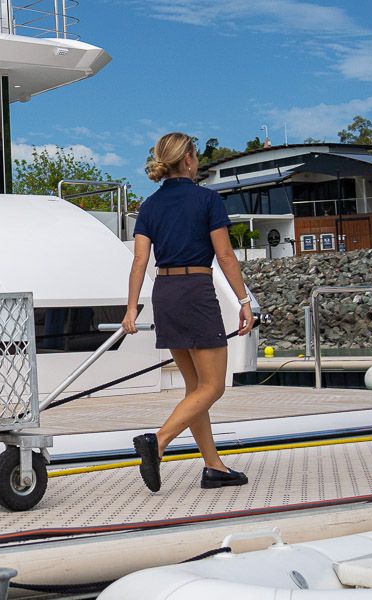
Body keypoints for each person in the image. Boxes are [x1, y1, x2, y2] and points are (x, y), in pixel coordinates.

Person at [122, 132, 254, 493]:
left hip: (164, 292)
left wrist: (132, 307)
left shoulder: (149, 206)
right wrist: (244, 301)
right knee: (212, 387)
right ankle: (158, 442)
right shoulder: (207, 200)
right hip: (196, 291)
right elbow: (225, 256)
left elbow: (139, 261)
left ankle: (214, 467)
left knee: (194, 387)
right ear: (189, 160)